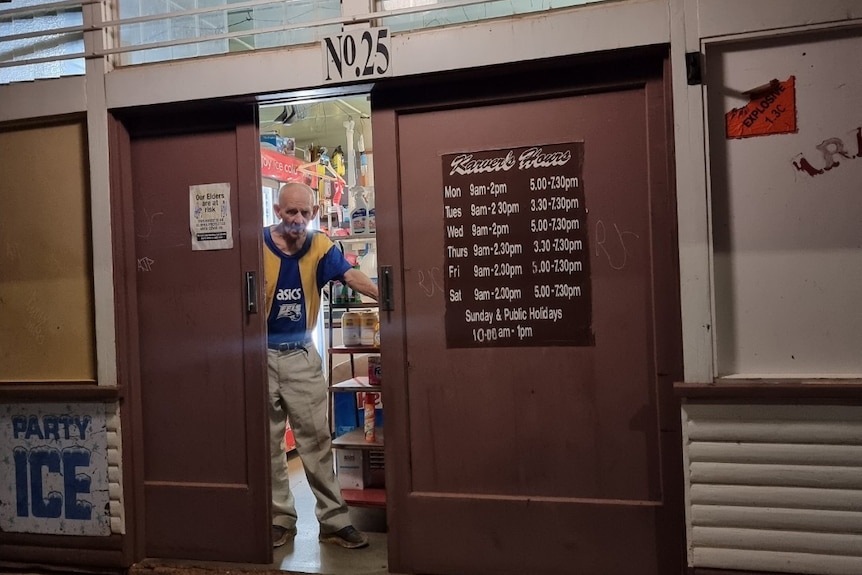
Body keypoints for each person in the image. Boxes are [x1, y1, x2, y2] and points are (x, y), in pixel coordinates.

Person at [263, 182, 378, 549]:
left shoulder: (321, 246)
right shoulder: (255, 245)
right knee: (267, 444)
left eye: (304, 213)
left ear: (313, 214)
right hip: (258, 356)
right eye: (290, 212)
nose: (297, 220)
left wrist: (388, 295)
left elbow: (350, 275)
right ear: (277, 211)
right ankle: (280, 518)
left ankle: (334, 521)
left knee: (316, 442)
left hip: (300, 355)